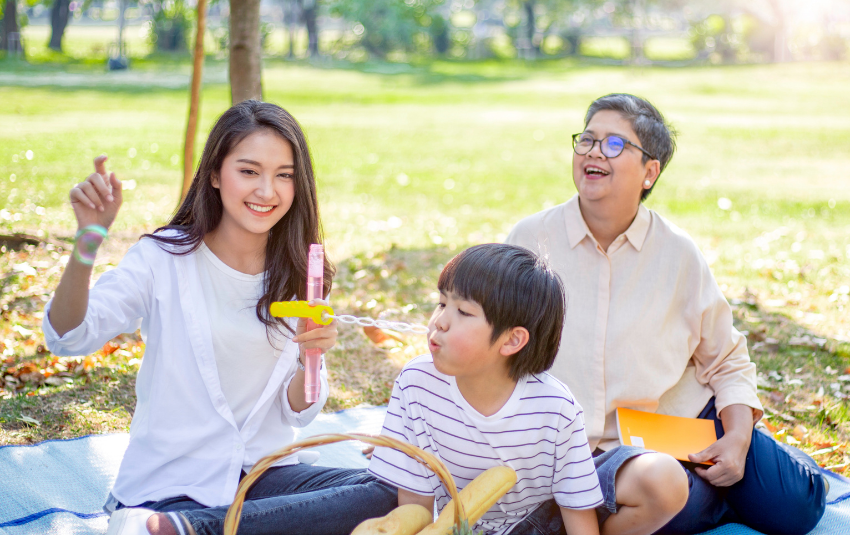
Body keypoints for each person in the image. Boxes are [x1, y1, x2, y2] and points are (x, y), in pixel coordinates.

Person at [42, 100, 396, 535]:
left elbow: (297, 411)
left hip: (264, 480)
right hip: (170, 486)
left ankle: (190, 530)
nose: (267, 191)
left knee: (395, 492)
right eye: (249, 171)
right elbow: (69, 336)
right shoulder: (162, 259)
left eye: (284, 175)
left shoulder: (302, 273)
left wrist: (312, 359)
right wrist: (88, 240)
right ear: (214, 174)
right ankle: (173, 525)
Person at [505, 93, 827, 535]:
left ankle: (757, 469)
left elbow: (727, 359)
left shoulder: (678, 254)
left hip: (686, 425)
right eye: (588, 140)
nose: (595, 152)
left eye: (615, 144)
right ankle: (718, 499)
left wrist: (736, 439)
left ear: (650, 171)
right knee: (674, 509)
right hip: (603, 458)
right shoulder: (528, 239)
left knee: (798, 507)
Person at [369, 244, 603, 535]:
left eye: (463, 311)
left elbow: (577, 511)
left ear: (512, 341)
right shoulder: (417, 382)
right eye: (442, 303)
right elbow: (415, 506)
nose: (439, 322)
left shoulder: (556, 409)